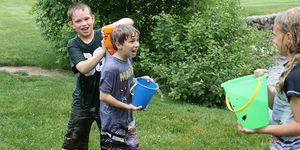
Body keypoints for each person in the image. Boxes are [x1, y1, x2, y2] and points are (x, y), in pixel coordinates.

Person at [62, 2, 133, 149]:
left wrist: (110, 28)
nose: (84, 24)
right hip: (83, 103)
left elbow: (129, 21)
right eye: (78, 21)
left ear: (93, 18)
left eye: (87, 19)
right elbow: (82, 68)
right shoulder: (73, 44)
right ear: (71, 24)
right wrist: (102, 50)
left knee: (111, 142)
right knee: (74, 142)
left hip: (107, 102)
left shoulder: (105, 34)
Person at [237, 7, 300, 149]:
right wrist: (262, 85)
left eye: (275, 35)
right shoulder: (291, 68)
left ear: (288, 38)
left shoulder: (295, 76)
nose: (273, 41)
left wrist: (259, 129)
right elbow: (280, 106)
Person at [99, 24, 151, 150]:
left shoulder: (128, 60)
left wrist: (140, 80)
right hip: (113, 122)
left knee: (133, 148)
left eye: (137, 40)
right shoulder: (111, 68)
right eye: (132, 41)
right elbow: (104, 96)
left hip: (127, 117)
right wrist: (127, 106)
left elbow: (127, 81)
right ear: (119, 44)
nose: (137, 44)